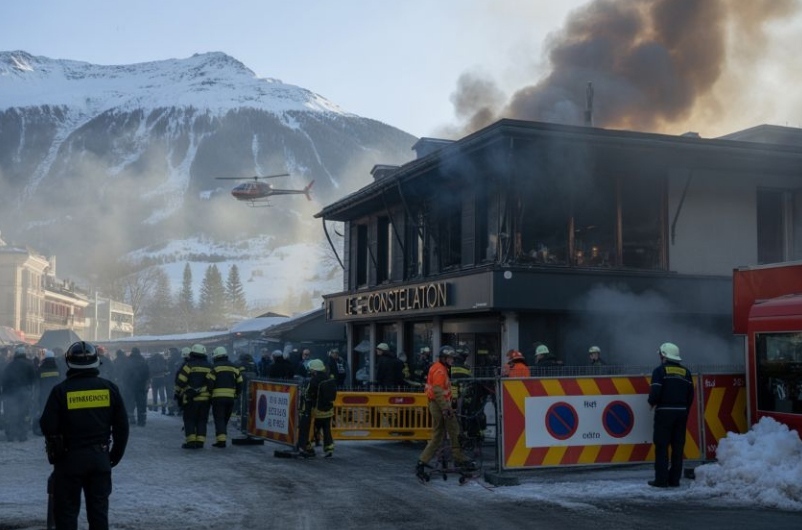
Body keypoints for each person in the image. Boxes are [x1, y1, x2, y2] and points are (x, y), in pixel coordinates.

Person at [39, 341, 129, 530]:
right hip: (100, 459)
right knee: (98, 513)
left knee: (66, 514)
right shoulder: (109, 389)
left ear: (69, 362)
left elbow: (47, 426)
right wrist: (113, 456)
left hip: (68, 461)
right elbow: (122, 427)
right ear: (97, 361)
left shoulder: (60, 391)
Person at [416, 345, 477, 480]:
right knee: (454, 430)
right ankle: (459, 458)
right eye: (450, 358)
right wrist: (446, 408)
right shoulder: (440, 370)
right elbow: (438, 391)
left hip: (437, 405)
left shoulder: (439, 368)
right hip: (440, 406)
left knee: (438, 436)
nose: (452, 360)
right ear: (444, 358)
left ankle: (422, 461)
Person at [648, 342, 695, 488]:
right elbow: (691, 394)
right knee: (678, 447)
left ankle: (661, 480)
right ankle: (675, 480)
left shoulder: (659, 371)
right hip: (681, 413)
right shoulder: (686, 372)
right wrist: (684, 409)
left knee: (662, 446)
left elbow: (655, 392)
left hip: (664, 413)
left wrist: (652, 402)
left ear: (664, 356)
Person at [296, 359, 337, 458]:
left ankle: (308, 448)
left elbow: (308, 394)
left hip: (317, 410)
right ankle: (329, 448)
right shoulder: (329, 378)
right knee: (327, 429)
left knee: (312, 430)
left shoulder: (314, 380)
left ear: (314, 370)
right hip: (329, 409)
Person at [175, 344, 213, 449]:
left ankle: (191, 442)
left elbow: (180, 381)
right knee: (202, 420)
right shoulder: (210, 366)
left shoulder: (188, 366)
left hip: (190, 399)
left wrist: (178, 394)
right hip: (205, 399)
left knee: (189, 420)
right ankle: (200, 442)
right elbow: (212, 382)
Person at [206, 347, 243, 448]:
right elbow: (240, 382)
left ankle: (221, 441)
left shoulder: (214, 368)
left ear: (216, 356)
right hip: (230, 398)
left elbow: (209, 382)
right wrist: (236, 394)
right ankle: (222, 436)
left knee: (219, 418)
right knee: (225, 418)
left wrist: (210, 393)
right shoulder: (234, 367)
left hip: (217, 398)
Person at [2, 345, 36, 442]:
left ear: (16, 354)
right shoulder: (29, 364)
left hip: (11, 392)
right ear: (24, 354)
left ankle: (11, 435)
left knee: (11, 414)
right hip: (25, 392)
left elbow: (3, 379)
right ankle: (22, 435)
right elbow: (33, 379)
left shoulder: (9, 365)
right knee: (24, 413)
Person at [33, 350, 63, 436]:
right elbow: (60, 380)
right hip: (55, 394)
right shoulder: (58, 368)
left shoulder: (41, 369)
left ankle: (44, 428)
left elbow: (37, 383)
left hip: (43, 394)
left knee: (44, 411)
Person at [121, 347, 150, 426]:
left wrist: (125, 383)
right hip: (141, 386)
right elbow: (147, 373)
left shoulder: (128, 361)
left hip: (130, 386)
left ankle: (132, 419)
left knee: (130, 403)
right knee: (141, 404)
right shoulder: (143, 361)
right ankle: (142, 421)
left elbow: (124, 374)